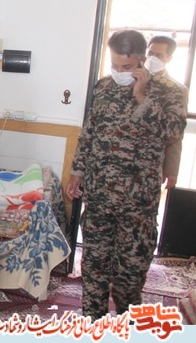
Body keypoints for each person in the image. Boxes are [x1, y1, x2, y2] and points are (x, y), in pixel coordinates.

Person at [65, 30, 186, 320]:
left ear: (142, 60)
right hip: (99, 195)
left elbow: (173, 133)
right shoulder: (103, 87)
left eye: (127, 66)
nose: (119, 72)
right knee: (94, 270)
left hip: (138, 202)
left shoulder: (168, 91)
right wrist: (78, 171)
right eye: (115, 65)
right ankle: (93, 327)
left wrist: (143, 98)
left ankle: (128, 328)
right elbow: (89, 132)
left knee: (129, 276)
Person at [146, 35, 189, 189]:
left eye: (159, 55)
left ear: (169, 58)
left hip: (152, 162)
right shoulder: (129, 80)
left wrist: (171, 170)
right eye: (150, 53)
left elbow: (176, 133)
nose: (152, 58)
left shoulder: (176, 90)